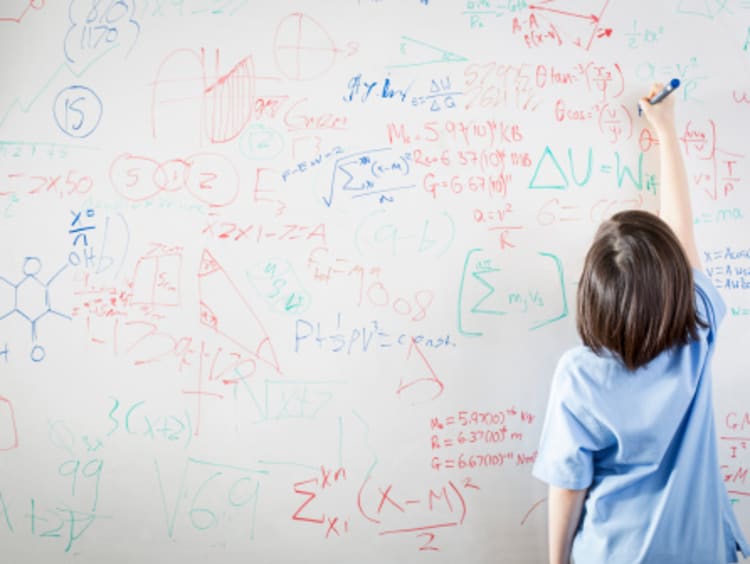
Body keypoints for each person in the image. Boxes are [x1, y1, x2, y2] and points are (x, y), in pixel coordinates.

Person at [531, 83, 750, 563]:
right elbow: (680, 230)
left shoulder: (579, 375)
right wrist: (666, 130)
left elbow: (568, 486)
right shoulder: (699, 332)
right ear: (674, 281)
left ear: (593, 294)